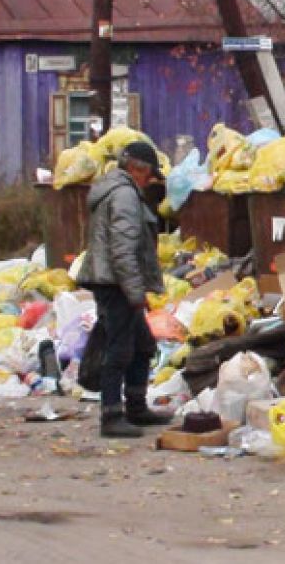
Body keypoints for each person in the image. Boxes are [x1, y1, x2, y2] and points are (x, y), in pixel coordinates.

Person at [78, 140, 172, 438]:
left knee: (142, 344)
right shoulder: (124, 197)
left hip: (112, 280)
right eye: (148, 174)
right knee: (119, 348)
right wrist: (135, 293)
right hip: (116, 283)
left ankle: (136, 406)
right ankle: (111, 415)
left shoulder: (116, 191)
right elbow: (122, 249)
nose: (149, 180)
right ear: (136, 169)